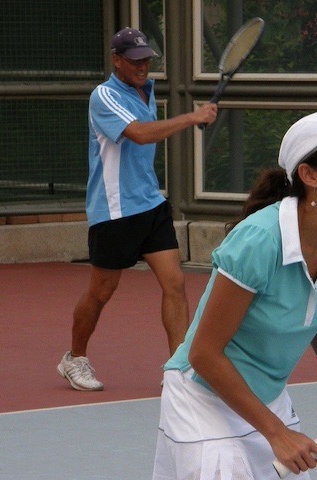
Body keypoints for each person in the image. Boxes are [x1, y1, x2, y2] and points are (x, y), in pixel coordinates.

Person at [152, 110, 317, 479]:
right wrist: (277, 433)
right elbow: (204, 353)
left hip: (267, 400)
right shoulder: (260, 240)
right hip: (204, 400)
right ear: (309, 175)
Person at [57, 28, 218, 391]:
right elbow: (141, 134)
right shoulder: (104, 95)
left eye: (146, 59)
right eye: (135, 61)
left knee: (175, 283)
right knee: (101, 292)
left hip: (150, 204)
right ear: (117, 61)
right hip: (114, 210)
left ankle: (178, 369)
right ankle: (74, 358)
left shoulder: (147, 89)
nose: (143, 66)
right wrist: (191, 118)